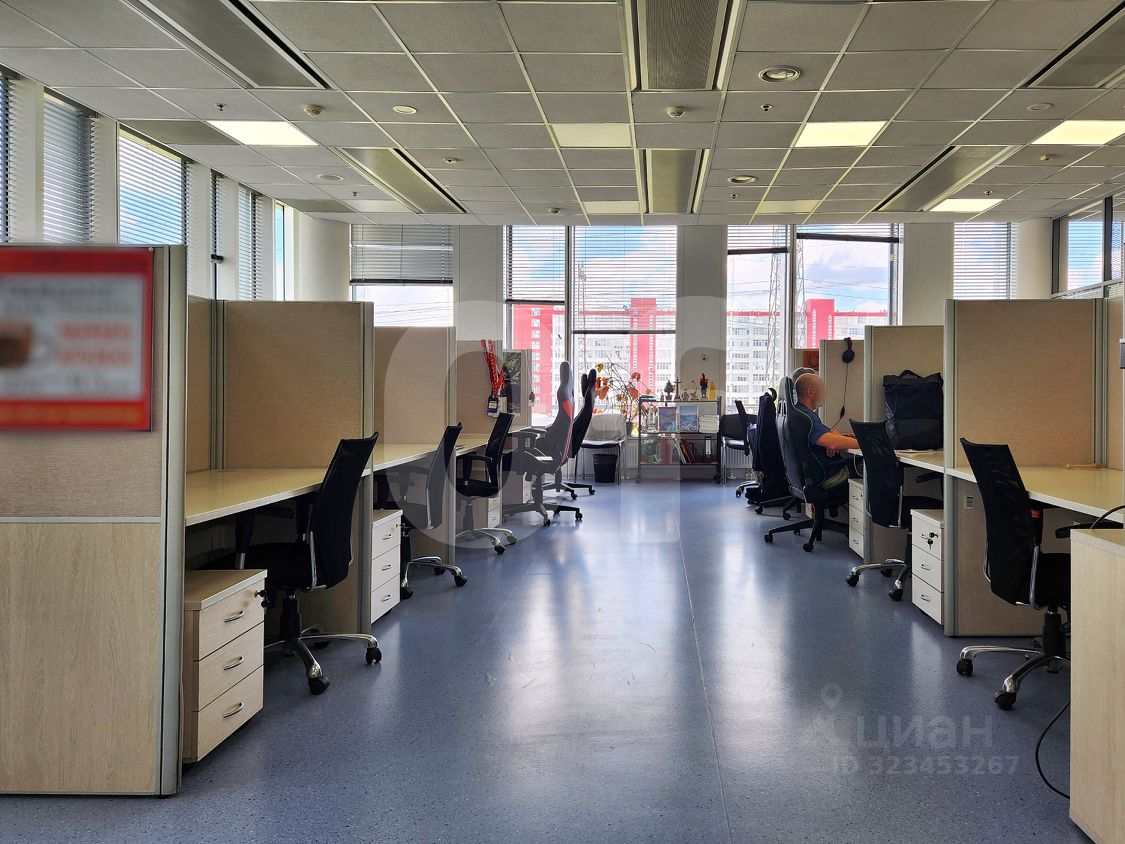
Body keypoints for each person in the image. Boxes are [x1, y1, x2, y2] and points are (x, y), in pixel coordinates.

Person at [793, 372, 858, 489]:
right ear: (810, 392)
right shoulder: (805, 418)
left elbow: (830, 435)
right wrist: (869, 443)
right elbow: (833, 442)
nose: (824, 393)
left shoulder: (801, 413)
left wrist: (833, 438)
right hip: (826, 477)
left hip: (814, 474)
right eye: (821, 389)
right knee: (870, 467)